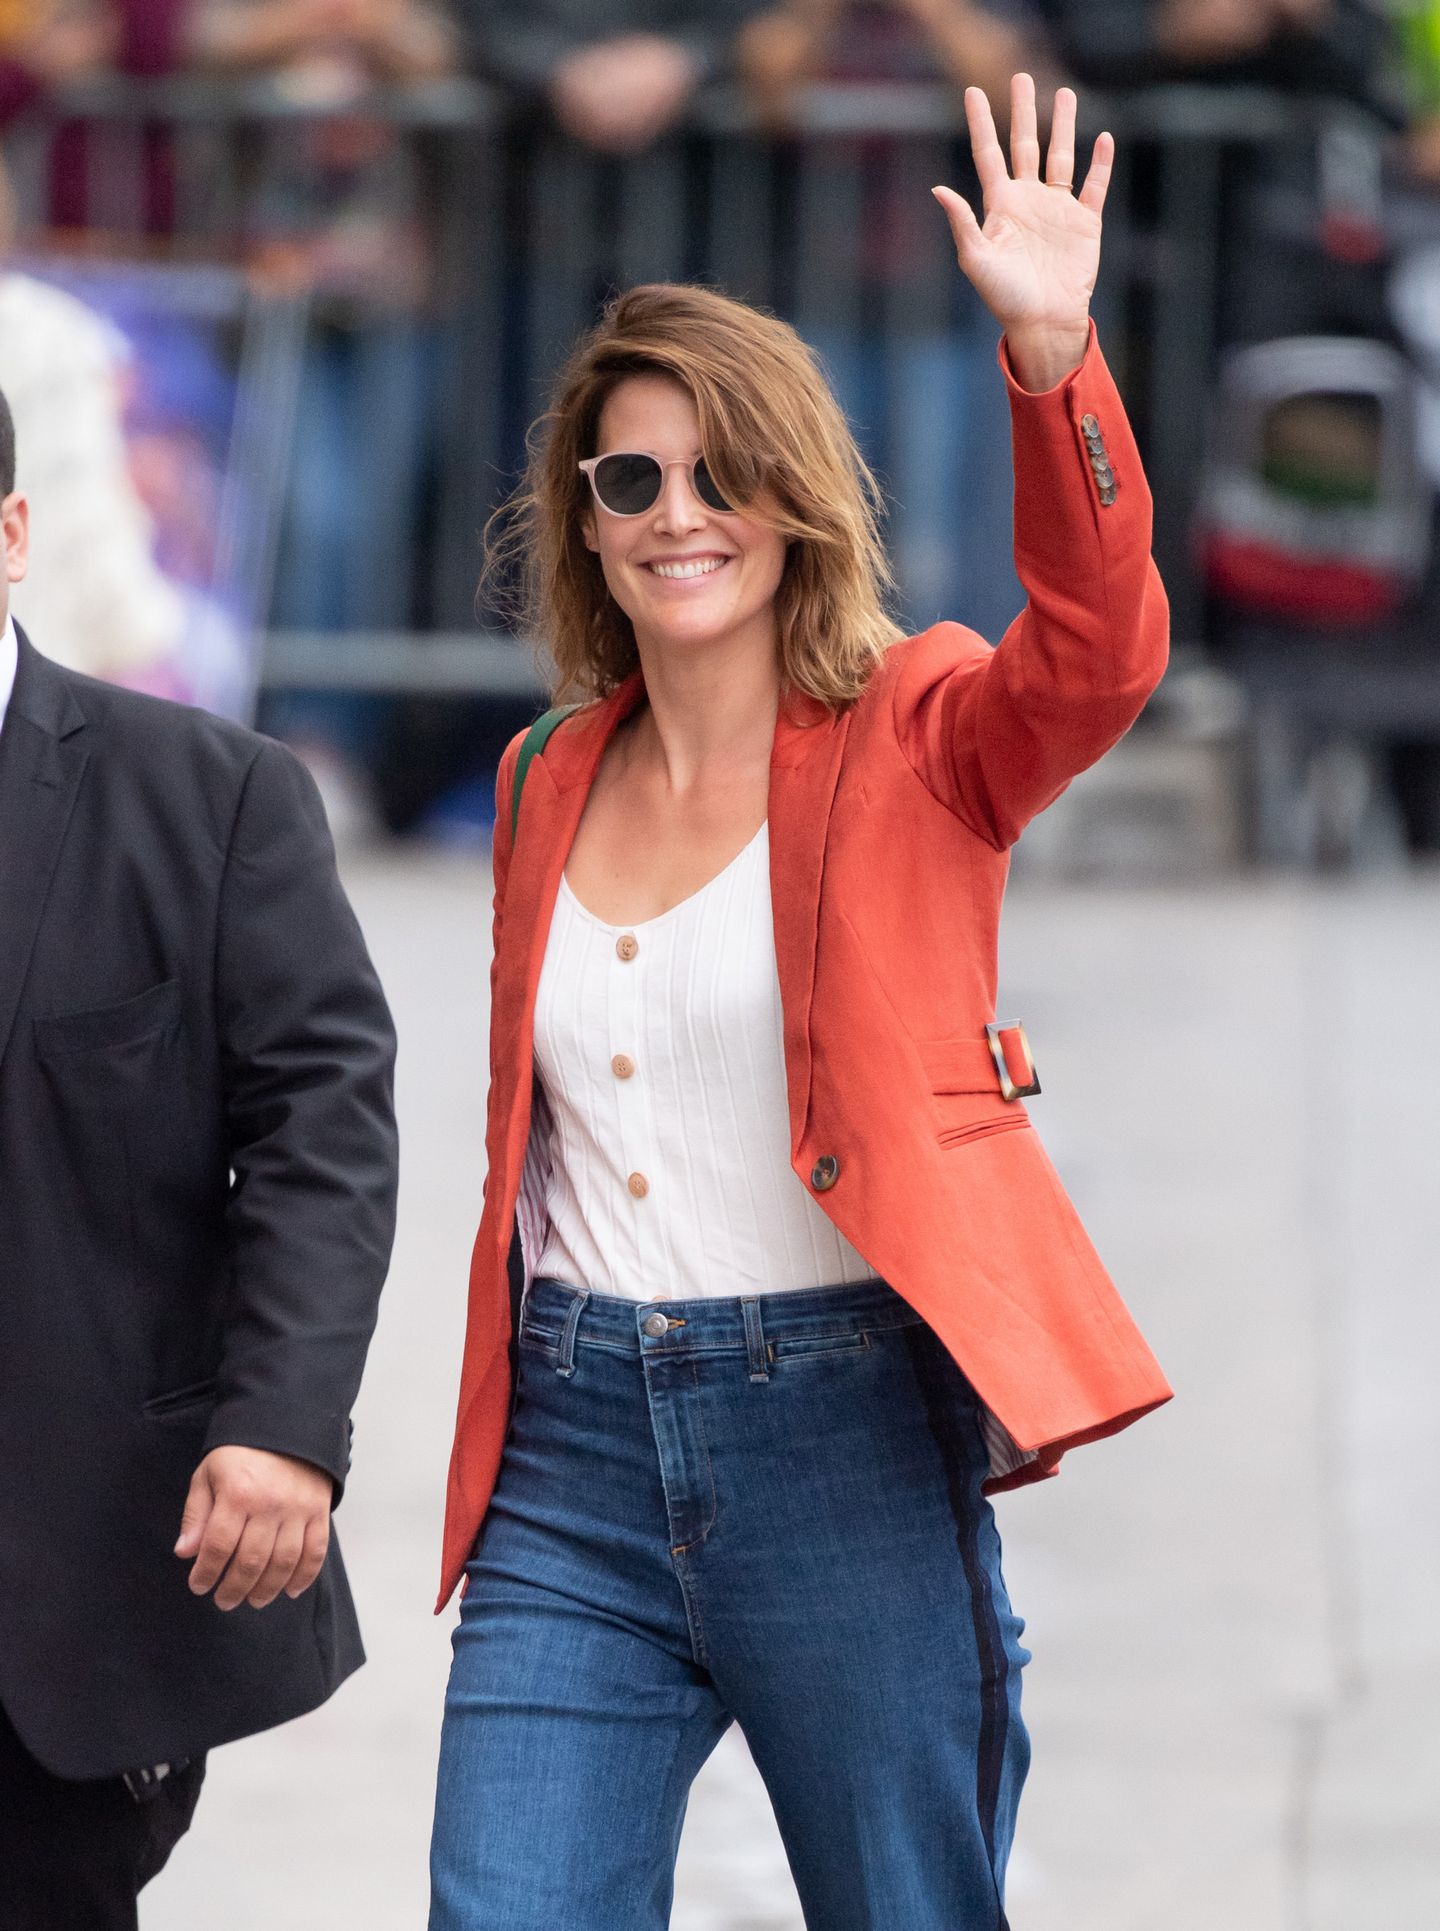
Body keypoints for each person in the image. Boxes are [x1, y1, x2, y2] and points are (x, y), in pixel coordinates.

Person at [430, 73, 1171, 1930]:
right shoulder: (542, 777)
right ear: (585, 521)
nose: (680, 515)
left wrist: (1052, 357)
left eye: (720, 472)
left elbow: (1095, 657)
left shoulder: (920, 726)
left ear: (794, 496)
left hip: (840, 1433)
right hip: (576, 1455)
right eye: (630, 479)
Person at [0, 382, 398, 1928]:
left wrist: (285, 1424)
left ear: (16, 535)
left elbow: (320, 1127)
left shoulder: (209, 799)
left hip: (63, 1595)